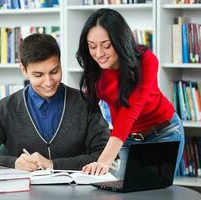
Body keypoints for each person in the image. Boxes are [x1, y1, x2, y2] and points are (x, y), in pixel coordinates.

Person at [0, 33, 110, 171]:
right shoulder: (6, 108)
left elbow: (107, 155)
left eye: (54, 72)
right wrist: (13, 163)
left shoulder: (85, 103)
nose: (48, 82)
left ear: (60, 64)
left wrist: (53, 165)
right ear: (24, 70)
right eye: (38, 75)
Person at [76, 8, 185, 176]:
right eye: (92, 46)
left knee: (154, 192)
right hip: (127, 139)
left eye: (107, 45)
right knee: (124, 191)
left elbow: (130, 110)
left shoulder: (146, 60)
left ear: (120, 41)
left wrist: (104, 160)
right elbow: (86, 109)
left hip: (163, 133)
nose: (99, 54)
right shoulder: (95, 69)